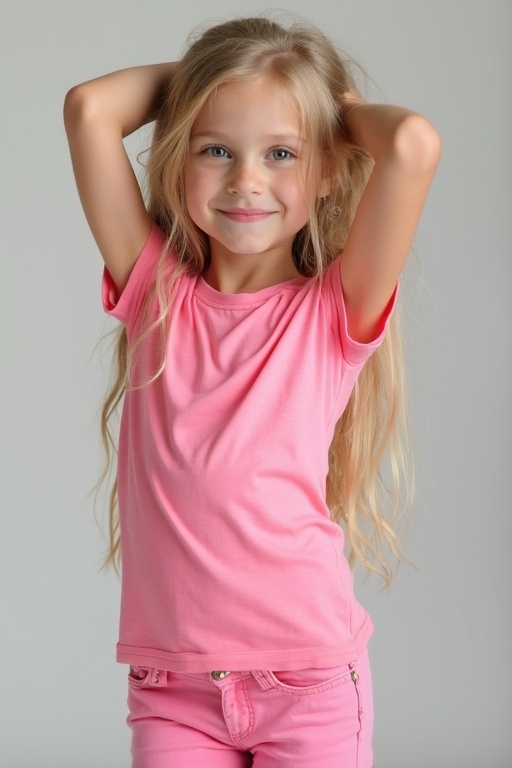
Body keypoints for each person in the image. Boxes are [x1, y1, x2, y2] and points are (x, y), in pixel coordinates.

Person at [64, 15, 441, 768]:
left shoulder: (335, 310)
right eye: (216, 150)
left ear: (329, 168)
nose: (246, 181)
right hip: (174, 690)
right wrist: (210, 82)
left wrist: (315, 104)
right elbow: (88, 111)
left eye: (281, 153)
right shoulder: (155, 295)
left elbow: (412, 145)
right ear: (178, 159)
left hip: (307, 684)